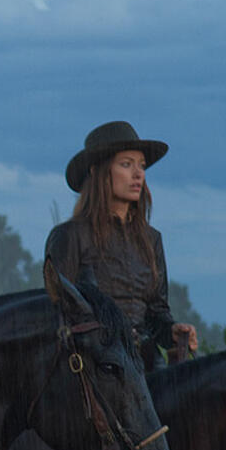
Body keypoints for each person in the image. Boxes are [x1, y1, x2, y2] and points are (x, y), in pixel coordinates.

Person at [45, 120, 197, 369]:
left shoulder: (151, 239)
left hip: (146, 362)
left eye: (142, 166)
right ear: (98, 171)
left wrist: (172, 331)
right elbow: (58, 314)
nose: (138, 174)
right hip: (95, 364)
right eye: (126, 165)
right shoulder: (70, 236)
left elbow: (157, 314)